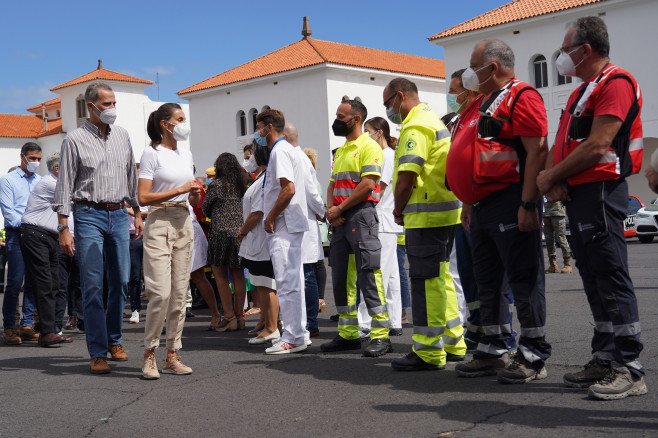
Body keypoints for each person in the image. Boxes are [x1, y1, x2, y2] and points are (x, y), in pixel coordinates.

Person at [537, 16, 646, 400]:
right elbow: (567, 141)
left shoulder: (616, 82)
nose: (561, 58)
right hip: (581, 194)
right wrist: (554, 176)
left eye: (565, 50)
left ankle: (629, 369)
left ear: (585, 50)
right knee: (594, 279)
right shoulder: (582, 90)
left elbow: (599, 144)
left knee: (611, 276)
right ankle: (604, 357)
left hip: (601, 191)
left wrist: (551, 178)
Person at [447, 40, 551, 383]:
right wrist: (467, 203)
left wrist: (527, 203)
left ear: (492, 68)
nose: (468, 73)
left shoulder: (523, 97)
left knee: (523, 279)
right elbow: (474, 154)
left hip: (511, 200)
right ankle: (493, 350)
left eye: (473, 65)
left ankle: (533, 354)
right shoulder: (481, 102)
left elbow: (537, 151)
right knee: (488, 281)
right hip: (482, 207)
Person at [54, 82, 143, 374]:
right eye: (106, 104)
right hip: (88, 213)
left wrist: (138, 212)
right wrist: (63, 227)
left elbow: (131, 175)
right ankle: (97, 350)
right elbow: (65, 185)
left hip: (119, 213)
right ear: (91, 106)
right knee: (92, 284)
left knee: (120, 280)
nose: (112, 109)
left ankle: (115, 340)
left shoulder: (123, 135)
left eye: (114, 103)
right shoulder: (75, 140)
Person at [382, 78, 463, 371]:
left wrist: (398, 208)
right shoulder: (432, 119)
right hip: (445, 213)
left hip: (426, 216)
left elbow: (406, 177)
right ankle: (454, 341)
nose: (388, 110)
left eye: (388, 103)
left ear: (400, 96)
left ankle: (429, 350)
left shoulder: (416, 126)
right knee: (441, 280)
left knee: (426, 283)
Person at [321, 99, 391, 358]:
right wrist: (332, 210)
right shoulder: (340, 151)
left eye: (342, 116)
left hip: (361, 216)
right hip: (340, 220)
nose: (337, 120)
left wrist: (339, 209)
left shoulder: (369, 146)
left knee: (369, 274)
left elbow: (368, 184)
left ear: (356, 119)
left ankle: (381, 335)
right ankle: (348, 335)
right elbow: (331, 185)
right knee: (342, 277)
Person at [138, 102, 198, 379]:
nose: (184, 123)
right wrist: (181, 188)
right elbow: (143, 197)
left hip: (184, 220)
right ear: (165, 124)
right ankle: (149, 353)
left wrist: (194, 193)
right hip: (159, 221)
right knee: (160, 293)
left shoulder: (186, 154)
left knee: (179, 296)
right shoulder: (152, 153)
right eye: (180, 118)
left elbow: (187, 194)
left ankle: (172, 355)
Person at [257, 109, 309, 354]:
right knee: (292, 282)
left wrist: (270, 216)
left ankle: (293, 336)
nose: (258, 133)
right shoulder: (289, 150)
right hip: (290, 223)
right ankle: (298, 333)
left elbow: (288, 189)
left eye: (259, 128)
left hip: (284, 225)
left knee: (287, 283)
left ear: (268, 127)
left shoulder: (279, 151)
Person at [19, 152, 73, 347]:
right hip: (35, 234)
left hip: (48, 237)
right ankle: (47, 331)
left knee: (53, 283)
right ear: (58, 169)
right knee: (44, 283)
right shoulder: (51, 183)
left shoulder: (55, 183)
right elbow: (71, 197)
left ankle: (48, 331)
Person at [360, 117, 403, 336]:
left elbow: (379, 189)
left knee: (376, 273)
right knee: (391, 274)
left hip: (381, 218)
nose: (366, 136)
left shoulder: (385, 156)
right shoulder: (390, 155)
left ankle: (366, 323)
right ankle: (394, 320)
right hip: (387, 219)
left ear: (379, 133)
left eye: (368, 131)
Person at [283, 123, 325, 338]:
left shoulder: (299, 159)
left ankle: (310, 322)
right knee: (299, 274)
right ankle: (303, 321)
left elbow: (312, 192)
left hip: (304, 223)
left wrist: (323, 213)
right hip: (297, 222)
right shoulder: (290, 158)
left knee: (307, 274)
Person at [238, 143, 280, 344]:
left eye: (252, 153)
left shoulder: (266, 179)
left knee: (266, 284)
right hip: (254, 241)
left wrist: (243, 231)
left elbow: (257, 212)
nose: (249, 157)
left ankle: (272, 327)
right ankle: (265, 322)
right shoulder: (260, 178)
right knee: (259, 283)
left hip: (260, 239)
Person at [1, 142, 41, 345]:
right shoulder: (8, 180)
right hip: (16, 234)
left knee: (33, 281)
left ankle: (26, 324)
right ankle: (9, 326)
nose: (35, 162)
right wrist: (32, 222)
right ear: (22, 156)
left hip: (36, 235)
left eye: (38, 159)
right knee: (15, 282)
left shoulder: (40, 181)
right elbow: (9, 212)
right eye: (32, 158)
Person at [202, 153, 247, 332]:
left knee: (220, 275)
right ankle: (239, 316)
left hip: (220, 233)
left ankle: (228, 316)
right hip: (239, 233)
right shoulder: (241, 185)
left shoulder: (217, 185)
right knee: (238, 274)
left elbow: (205, 208)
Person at [303, 147, 328, 314]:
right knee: (315, 264)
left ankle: (320, 298)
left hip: (315, 227)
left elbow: (317, 206)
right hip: (312, 226)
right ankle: (319, 298)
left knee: (317, 264)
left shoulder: (313, 182)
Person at [543, 200, 572, 274]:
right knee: (548, 239)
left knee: (561, 238)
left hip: (557, 211)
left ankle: (567, 264)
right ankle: (553, 265)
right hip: (546, 212)